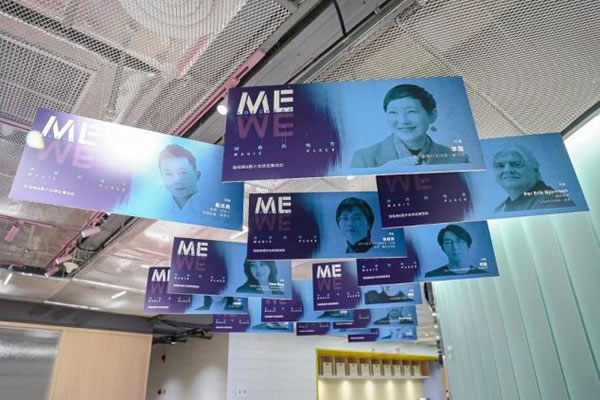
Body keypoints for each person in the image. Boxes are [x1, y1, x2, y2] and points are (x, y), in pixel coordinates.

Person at [350, 84, 469, 168]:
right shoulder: (364, 158)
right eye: (393, 112)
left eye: (411, 111)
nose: (403, 121)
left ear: (432, 115)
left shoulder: (457, 159)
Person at [492, 145, 575, 211]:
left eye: (516, 164)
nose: (507, 170)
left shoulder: (552, 203)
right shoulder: (500, 209)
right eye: (500, 166)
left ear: (535, 169)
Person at [158, 144, 202, 211]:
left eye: (182, 172)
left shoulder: (210, 203)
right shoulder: (159, 208)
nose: (176, 180)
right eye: (169, 173)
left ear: (197, 175)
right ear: (162, 177)